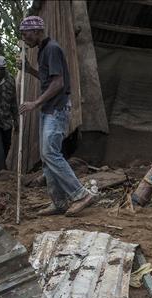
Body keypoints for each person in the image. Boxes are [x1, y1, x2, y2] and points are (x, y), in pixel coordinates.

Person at [18, 15, 95, 216]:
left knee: (50, 153)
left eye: (25, 34)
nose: (24, 38)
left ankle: (81, 194)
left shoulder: (52, 49)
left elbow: (58, 83)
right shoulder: (43, 51)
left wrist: (35, 102)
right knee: (46, 156)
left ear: (36, 32)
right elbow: (48, 79)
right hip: (49, 109)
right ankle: (60, 202)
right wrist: (30, 70)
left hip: (57, 109)